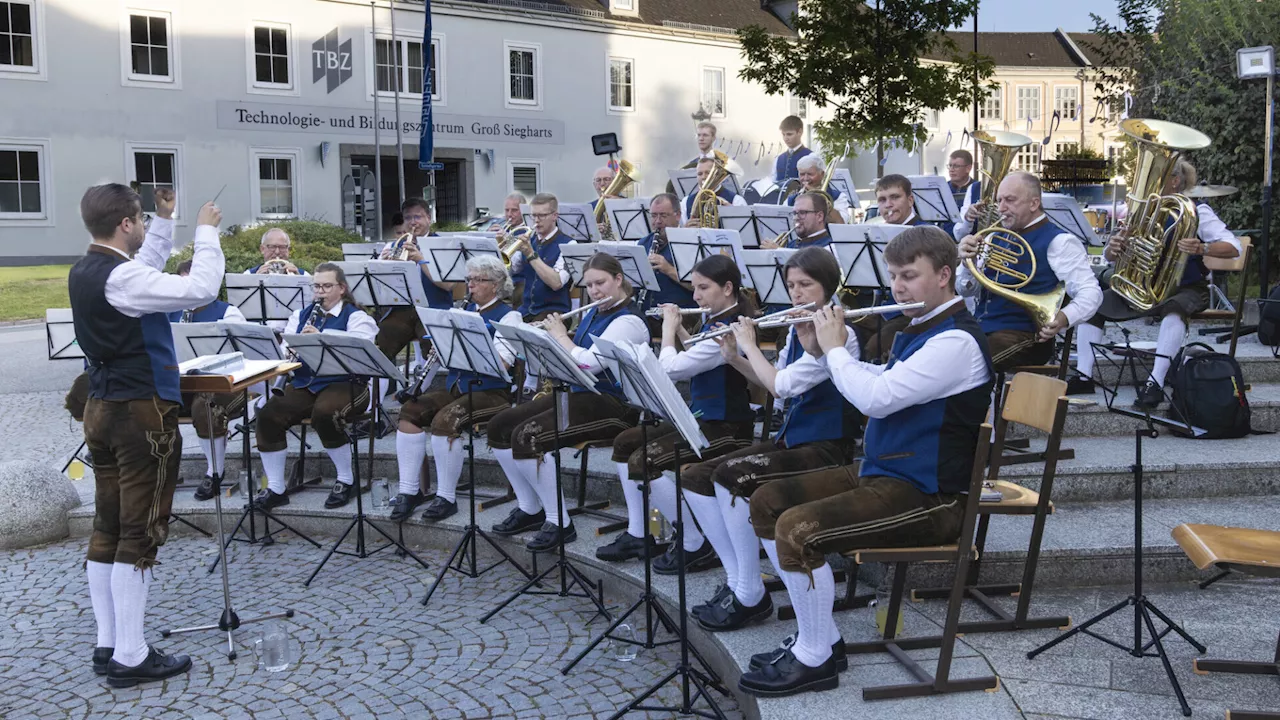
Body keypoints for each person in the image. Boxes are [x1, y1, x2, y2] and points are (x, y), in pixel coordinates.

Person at [739, 225, 993, 698]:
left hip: (931, 494)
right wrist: (821, 352)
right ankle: (822, 640)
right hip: (888, 472)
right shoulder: (921, 328)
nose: (898, 287)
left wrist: (836, 349)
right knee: (766, 500)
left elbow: (875, 399)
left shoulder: (955, 341)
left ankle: (815, 658)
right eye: (894, 276)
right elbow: (882, 378)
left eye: (910, 276)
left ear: (944, 275)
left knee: (798, 528)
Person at [69, 183, 224, 687]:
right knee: (140, 532)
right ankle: (132, 656)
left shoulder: (87, 268)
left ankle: (108, 641)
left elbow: (144, 273)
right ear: (125, 225)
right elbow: (200, 288)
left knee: (108, 526)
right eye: (140, 220)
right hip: (141, 415)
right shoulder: (122, 277)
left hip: (101, 408)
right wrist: (206, 231)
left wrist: (163, 220)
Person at [680, 248, 862, 633]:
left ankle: (748, 593)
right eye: (791, 285)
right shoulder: (800, 327)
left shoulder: (842, 332)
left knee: (731, 477)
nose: (796, 293)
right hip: (791, 439)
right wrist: (733, 357)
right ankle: (740, 582)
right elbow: (774, 377)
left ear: (827, 286)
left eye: (805, 285)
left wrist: (748, 342)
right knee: (697, 476)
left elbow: (782, 386)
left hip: (825, 446)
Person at [598, 255, 758, 570]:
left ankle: (694, 539)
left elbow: (670, 369)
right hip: (702, 417)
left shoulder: (729, 326)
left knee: (643, 460)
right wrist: (684, 331)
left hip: (725, 425)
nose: (695, 296)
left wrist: (669, 330)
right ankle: (640, 532)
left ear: (728, 288)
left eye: (703, 288)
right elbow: (699, 353)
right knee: (627, 442)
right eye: (695, 288)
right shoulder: (717, 319)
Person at [485, 253, 647, 552]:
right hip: (580, 396)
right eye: (590, 285)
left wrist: (560, 335)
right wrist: (540, 339)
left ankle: (559, 522)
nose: (595, 291)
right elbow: (574, 353)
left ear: (619, 280)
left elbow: (587, 364)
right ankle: (530, 507)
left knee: (527, 436)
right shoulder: (596, 313)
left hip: (614, 405)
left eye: (601, 283)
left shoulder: (630, 321)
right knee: (498, 427)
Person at [1072, 160, 1240, 406]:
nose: (1147, 186)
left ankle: (1156, 382)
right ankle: (1084, 375)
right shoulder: (1141, 212)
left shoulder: (1196, 211)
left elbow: (1233, 247)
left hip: (1186, 287)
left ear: (1174, 181)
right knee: (1092, 302)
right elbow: (1109, 256)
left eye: (1154, 179)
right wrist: (1115, 248)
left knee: (1176, 308)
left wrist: (1203, 247)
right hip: (1143, 287)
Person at [389, 255, 521, 521]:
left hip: (492, 392)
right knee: (410, 410)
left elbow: (503, 364)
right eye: (469, 279)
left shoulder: (510, 317)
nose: (470, 286)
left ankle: (446, 497)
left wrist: (464, 345)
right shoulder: (464, 311)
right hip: (459, 387)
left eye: (478, 280)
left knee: (445, 420)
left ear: (495, 285)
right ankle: (409, 491)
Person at [253, 263, 379, 511]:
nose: (320, 292)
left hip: (347, 384)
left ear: (341, 288)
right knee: (268, 414)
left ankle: (346, 479)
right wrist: (293, 347)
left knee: (325, 414)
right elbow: (284, 349)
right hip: (307, 382)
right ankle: (277, 487)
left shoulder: (356, 316)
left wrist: (322, 336)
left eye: (326, 286)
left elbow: (362, 343)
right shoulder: (300, 315)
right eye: (317, 286)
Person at [957, 172, 1101, 370]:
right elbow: (966, 291)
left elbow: (1091, 293)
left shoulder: (1060, 242)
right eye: (999, 200)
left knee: (965, 364)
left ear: (1034, 204)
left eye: (1010, 200)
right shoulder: (992, 237)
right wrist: (967, 264)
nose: (1001, 208)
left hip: (1027, 336)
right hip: (983, 327)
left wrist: (1063, 318)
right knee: (938, 351)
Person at [167, 260, 251, 502]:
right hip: (181, 384)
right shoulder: (167, 313)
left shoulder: (228, 313)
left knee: (205, 406)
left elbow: (241, 357)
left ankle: (214, 470)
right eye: (184, 281)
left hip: (221, 385)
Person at [854, 174, 929, 362]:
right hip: (883, 309)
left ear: (910, 200)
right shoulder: (874, 234)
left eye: (895, 197)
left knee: (874, 348)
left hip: (912, 311)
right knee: (841, 333)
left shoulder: (927, 233)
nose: (888, 204)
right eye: (882, 200)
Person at [374, 198, 453, 364]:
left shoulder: (442, 245)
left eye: (418, 217)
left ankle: (425, 387)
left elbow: (448, 285)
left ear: (428, 219)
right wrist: (386, 267)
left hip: (433, 309)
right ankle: (385, 387)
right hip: (404, 310)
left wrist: (420, 259)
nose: (413, 222)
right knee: (381, 343)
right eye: (408, 218)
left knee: (432, 344)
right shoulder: (397, 245)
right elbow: (382, 288)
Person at [509, 192, 574, 323]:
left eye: (542, 215)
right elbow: (511, 271)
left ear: (555, 216)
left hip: (554, 313)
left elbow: (557, 282)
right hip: (526, 310)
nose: (537, 220)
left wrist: (531, 255)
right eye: (534, 215)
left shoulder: (568, 244)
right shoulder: (528, 241)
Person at [637, 193, 698, 327]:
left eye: (663, 215)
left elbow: (698, 286)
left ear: (677, 215)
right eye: (653, 215)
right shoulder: (643, 243)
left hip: (682, 315)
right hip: (647, 314)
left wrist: (668, 269)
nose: (657, 221)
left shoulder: (690, 243)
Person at [681, 156, 747, 227]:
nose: (703, 177)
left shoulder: (737, 201)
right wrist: (686, 229)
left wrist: (733, 213)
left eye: (708, 173)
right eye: (700, 174)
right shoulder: (686, 202)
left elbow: (745, 230)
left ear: (717, 174)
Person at [785, 155, 850, 223]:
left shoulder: (838, 197)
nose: (806, 178)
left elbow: (841, 222)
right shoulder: (791, 200)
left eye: (810, 174)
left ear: (822, 174)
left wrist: (818, 198)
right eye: (802, 174)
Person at [942, 149, 980, 239]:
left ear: (968, 168)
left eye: (956, 166)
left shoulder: (976, 189)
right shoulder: (943, 187)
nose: (951, 169)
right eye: (950, 165)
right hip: (944, 238)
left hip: (970, 240)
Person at [774, 115, 813, 185]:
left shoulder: (811, 156)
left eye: (789, 134)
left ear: (800, 132)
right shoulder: (779, 159)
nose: (785, 138)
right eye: (783, 134)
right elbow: (773, 181)